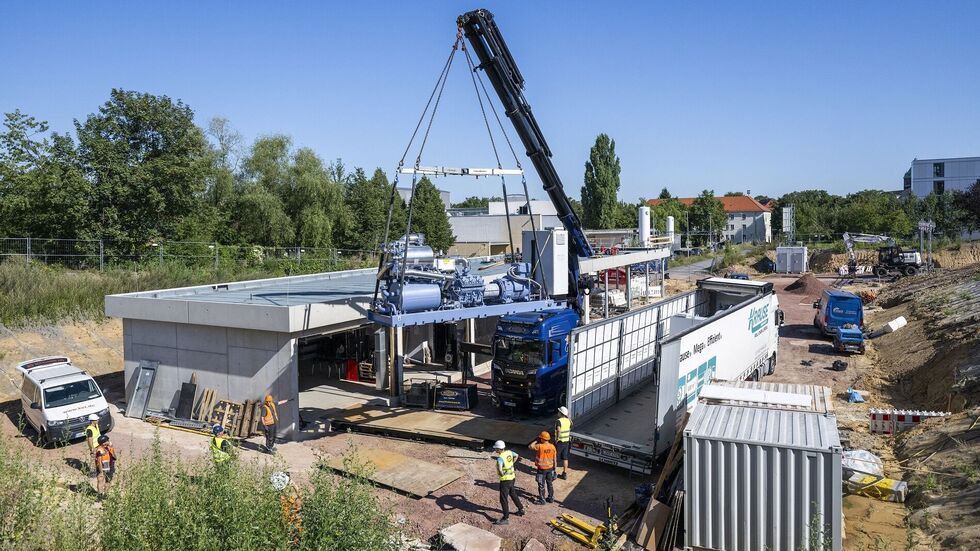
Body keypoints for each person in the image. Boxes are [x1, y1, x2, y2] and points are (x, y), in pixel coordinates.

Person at [492, 440, 524, 526]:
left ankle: (505, 518)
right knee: (513, 493)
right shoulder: (509, 452)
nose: (495, 450)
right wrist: (512, 464)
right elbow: (516, 455)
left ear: (499, 449)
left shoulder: (500, 458)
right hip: (512, 477)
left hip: (505, 480)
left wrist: (502, 474)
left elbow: (500, 469)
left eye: (496, 449)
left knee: (503, 499)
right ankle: (521, 509)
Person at [528, 431, 556, 504]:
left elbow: (530, 446)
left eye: (541, 438)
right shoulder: (552, 446)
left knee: (541, 484)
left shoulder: (539, 446)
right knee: (550, 483)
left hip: (541, 469)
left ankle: (542, 500)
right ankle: (551, 498)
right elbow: (555, 459)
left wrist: (536, 440)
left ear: (543, 439)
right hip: (550, 468)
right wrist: (554, 469)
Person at [555, 406, 572, 479]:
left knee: (554, 458)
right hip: (567, 442)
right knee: (565, 458)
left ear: (561, 413)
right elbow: (570, 427)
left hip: (560, 442)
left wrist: (557, 439)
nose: (558, 412)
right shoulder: (569, 421)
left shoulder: (559, 421)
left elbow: (559, 430)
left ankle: (553, 473)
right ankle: (564, 474)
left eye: (559, 411)